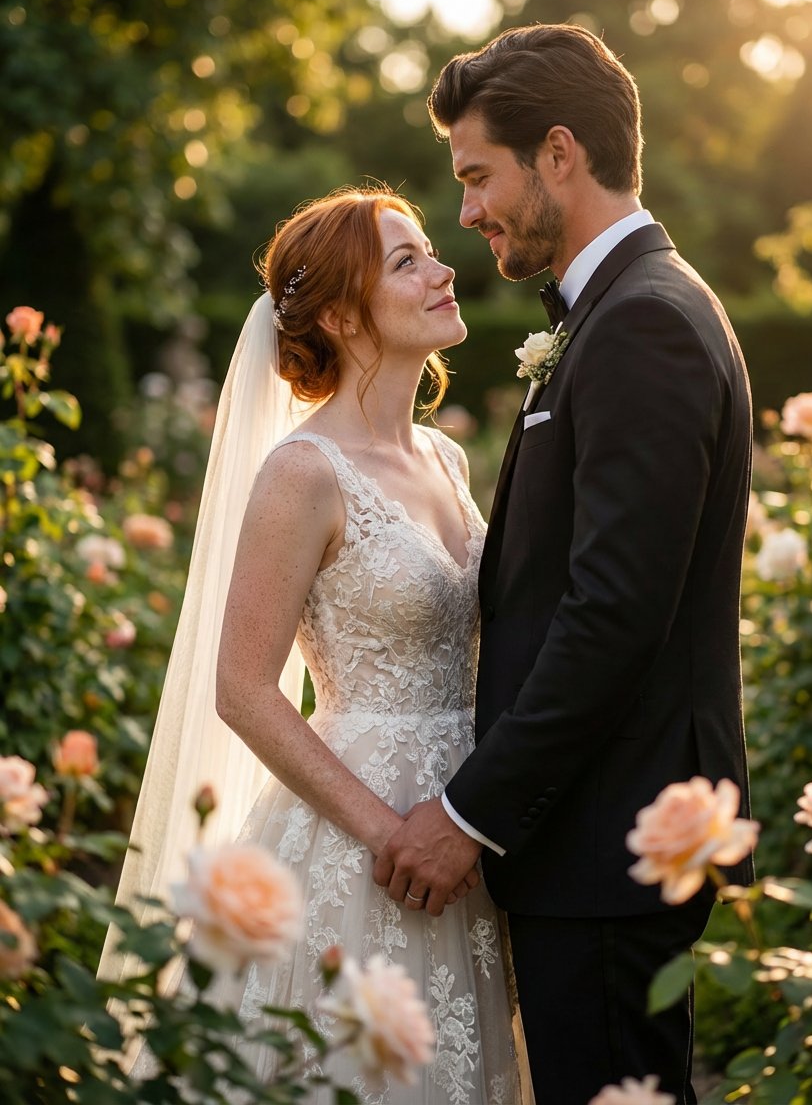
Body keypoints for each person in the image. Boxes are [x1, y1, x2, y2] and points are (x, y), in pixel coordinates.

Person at [372, 24, 754, 1105]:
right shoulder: (613, 315)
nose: (466, 214)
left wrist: (467, 812)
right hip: (587, 833)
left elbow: (611, 614)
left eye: (475, 175)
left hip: (606, 835)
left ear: (556, 153)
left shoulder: (642, 324)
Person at [99, 186, 529, 1104]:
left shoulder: (445, 459)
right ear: (340, 314)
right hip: (362, 837)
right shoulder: (303, 473)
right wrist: (393, 834)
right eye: (407, 260)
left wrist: (468, 816)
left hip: (465, 814)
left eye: (429, 251)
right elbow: (244, 688)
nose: (444, 268)